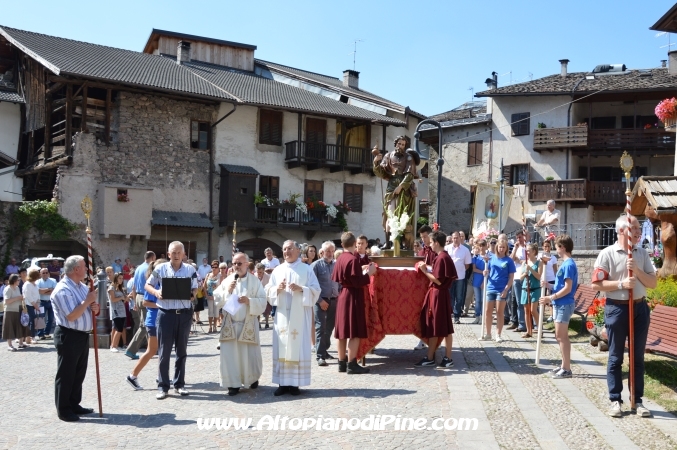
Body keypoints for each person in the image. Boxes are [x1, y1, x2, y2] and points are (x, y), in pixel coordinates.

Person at [591, 215, 656, 418]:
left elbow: (652, 283)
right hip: (617, 309)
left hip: (639, 309)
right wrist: (620, 284)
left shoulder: (642, 253)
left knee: (637, 357)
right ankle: (615, 399)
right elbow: (596, 284)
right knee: (616, 356)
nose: (638, 232)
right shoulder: (607, 254)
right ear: (621, 231)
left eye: (638, 228)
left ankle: (637, 400)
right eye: (634, 228)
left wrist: (636, 271)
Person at [265, 240, 321, 395]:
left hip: (300, 317)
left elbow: (316, 290)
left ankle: (295, 383)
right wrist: (277, 289)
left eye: (289, 248)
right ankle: (282, 383)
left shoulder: (306, 269)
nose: (286, 252)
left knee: (298, 347)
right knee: (281, 346)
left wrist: (302, 289)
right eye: (284, 249)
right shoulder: (277, 270)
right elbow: (268, 290)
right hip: (282, 315)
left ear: (297, 250)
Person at [145, 241, 198, 400]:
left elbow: (196, 287)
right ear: (168, 254)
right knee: (164, 352)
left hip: (184, 314)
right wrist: (156, 292)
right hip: (165, 314)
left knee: (182, 351)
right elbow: (148, 285)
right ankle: (163, 386)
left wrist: (193, 294)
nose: (176, 255)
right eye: (173, 253)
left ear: (183, 254)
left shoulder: (190, 269)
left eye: (178, 253)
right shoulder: (160, 268)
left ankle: (179, 384)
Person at [51, 255, 100, 421]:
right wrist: (87, 302)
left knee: (78, 373)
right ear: (76, 269)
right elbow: (72, 315)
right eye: (84, 266)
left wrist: (95, 306)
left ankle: (74, 404)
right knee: (66, 374)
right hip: (68, 335)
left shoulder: (81, 287)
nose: (86, 268)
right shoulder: (62, 289)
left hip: (82, 335)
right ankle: (63, 409)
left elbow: (90, 308)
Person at [213, 252, 268, 396]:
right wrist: (228, 291)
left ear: (247, 264)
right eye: (234, 263)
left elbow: (263, 300)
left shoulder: (255, 281)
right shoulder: (227, 281)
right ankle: (233, 384)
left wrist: (250, 301)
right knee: (230, 356)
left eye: (239, 263)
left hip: (247, 324)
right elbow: (217, 298)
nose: (236, 266)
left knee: (250, 355)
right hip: (230, 325)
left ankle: (252, 378)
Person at [332, 232, 376, 375]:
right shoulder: (353, 259)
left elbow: (338, 278)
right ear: (353, 244)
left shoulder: (340, 258)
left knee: (342, 332)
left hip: (343, 295)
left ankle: (341, 363)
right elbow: (358, 282)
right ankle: (352, 363)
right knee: (354, 332)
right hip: (353, 296)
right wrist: (369, 273)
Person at [415, 230, 456, 368]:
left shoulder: (443, 257)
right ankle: (430, 357)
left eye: (431, 242)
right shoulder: (441, 257)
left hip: (439, 294)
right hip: (437, 294)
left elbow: (438, 280)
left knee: (445, 327)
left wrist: (425, 271)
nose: (430, 245)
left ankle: (448, 358)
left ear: (437, 243)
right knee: (434, 326)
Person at [539, 234, 578, 379]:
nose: (556, 250)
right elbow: (560, 285)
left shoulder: (568, 265)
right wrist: (549, 285)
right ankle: (563, 365)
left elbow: (568, 288)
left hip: (564, 303)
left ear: (562, 247)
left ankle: (567, 368)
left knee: (562, 337)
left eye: (557, 247)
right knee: (559, 336)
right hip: (560, 303)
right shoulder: (566, 264)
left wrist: (551, 297)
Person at [373, 136, 419, 249]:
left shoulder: (408, 158)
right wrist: (376, 163)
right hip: (391, 188)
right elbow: (381, 173)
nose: (401, 146)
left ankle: (400, 243)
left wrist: (401, 186)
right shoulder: (388, 156)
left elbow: (410, 174)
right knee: (389, 214)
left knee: (402, 216)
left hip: (405, 190)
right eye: (399, 144)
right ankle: (389, 242)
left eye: (403, 144)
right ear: (396, 144)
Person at [126, 259, 165, 390]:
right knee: (151, 350)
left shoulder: (161, 282)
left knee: (161, 351)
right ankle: (132, 376)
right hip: (153, 321)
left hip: (159, 321)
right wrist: (163, 305)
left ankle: (161, 376)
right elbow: (146, 303)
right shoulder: (152, 283)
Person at [481, 239, 516, 343]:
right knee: (487, 311)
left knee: (499, 312)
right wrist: (485, 272)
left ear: (506, 249)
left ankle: (498, 334)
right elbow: (488, 271)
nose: (501, 249)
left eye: (503, 247)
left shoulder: (509, 261)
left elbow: (511, 277)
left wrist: (506, 289)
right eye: (500, 247)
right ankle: (488, 334)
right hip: (491, 287)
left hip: (502, 289)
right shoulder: (491, 258)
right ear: (497, 247)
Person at [311, 241, 339, 367]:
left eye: (332, 251)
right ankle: (320, 356)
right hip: (320, 300)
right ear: (322, 252)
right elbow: (310, 285)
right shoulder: (315, 266)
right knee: (320, 327)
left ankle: (324, 349)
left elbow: (340, 282)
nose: (330, 253)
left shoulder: (336, 265)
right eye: (328, 251)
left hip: (334, 300)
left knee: (329, 328)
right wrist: (320, 301)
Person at [125, 251, 156, 359]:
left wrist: (134, 301)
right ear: (152, 257)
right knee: (145, 325)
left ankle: (152, 348)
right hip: (145, 296)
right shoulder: (149, 268)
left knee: (148, 324)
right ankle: (131, 349)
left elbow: (133, 287)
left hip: (138, 296)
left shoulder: (138, 268)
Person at [415, 224, 436, 350]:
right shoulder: (422, 251)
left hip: (432, 284)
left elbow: (436, 268)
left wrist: (426, 268)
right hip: (421, 287)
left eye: (425, 236)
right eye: (421, 237)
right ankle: (422, 339)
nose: (423, 239)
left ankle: (433, 340)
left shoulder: (434, 251)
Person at [445, 232, 472, 324]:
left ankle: (457, 315)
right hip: (449, 277)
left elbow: (467, 264)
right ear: (452, 238)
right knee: (450, 296)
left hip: (460, 277)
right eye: (454, 238)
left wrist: (460, 270)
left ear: (460, 238)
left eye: (457, 238)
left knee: (459, 297)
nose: (456, 239)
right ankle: (450, 314)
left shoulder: (465, 250)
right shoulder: (447, 249)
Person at [519, 243, 542, 338]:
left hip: (535, 289)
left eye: (528, 250)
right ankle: (529, 331)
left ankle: (540, 329)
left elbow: (539, 276)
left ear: (534, 252)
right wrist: (525, 274)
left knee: (533, 310)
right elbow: (520, 278)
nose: (527, 252)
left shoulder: (539, 263)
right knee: (526, 311)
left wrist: (531, 270)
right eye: (526, 251)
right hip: (525, 289)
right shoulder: (524, 263)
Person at [3, 274, 28, 350]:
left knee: (19, 326)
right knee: (9, 327)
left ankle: (21, 343)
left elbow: (19, 297)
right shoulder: (8, 289)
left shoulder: (17, 288)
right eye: (18, 280)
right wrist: (18, 298)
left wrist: (22, 298)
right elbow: (7, 301)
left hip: (18, 309)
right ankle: (9, 345)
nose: (19, 281)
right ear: (14, 281)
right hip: (10, 310)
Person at [509, 230, 528, 332]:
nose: (518, 239)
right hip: (516, 276)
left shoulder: (527, 247)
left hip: (524, 276)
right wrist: (515, 249)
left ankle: (524, 324)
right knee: (516, 301)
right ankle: (518, 322)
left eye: (520, 237)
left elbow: (528, 261)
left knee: (522, 302)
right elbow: (511, 259)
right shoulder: (517, 248)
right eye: (517, 238)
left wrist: (520, 261)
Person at [539, 240, 558, 323]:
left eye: (548, 246)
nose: (547, 248)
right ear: (543, 247)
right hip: (543, 279)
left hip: (551, 279)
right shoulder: (540, 256)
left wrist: (556, 279)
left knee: (550, 297)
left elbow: (555, 269)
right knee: (542, 297)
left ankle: (551, 315)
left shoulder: (553, 258)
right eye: (545, 246)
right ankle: (541, 314)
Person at [108, 273, 128, 352]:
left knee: (120, 328)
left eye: (122, 278)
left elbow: (123, 300)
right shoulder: (111, 288)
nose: (121, 280)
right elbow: (112, 299)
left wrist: (126, 298)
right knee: (118, 328)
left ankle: (115, 345)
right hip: (115, 310)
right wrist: (121, 297)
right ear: (116, 278)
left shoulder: (120, 289)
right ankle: (113, 346)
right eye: (120, 278)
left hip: (122, 310)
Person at [471, 239, 488, 325]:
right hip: (476, 281)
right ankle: (477, 316)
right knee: (477, 300)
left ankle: (482, 316)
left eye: (483, 245)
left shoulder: (488, 257)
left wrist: (484, 281)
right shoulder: (475, 257)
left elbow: (489, 270)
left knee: (483, 300)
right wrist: (482, 272)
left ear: (486, 246)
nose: (481, 247)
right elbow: (474, 269)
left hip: (484, 281)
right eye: (480, 246)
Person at [37, 267, 57, 339]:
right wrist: (49, 289)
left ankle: (46, 333)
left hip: (51, 302)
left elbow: (54, 291)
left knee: (51, 318)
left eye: (46, 272)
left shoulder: (53, 280)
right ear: (40, 274)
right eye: (43, 273)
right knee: (41, 318)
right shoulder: (37, 282)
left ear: (48, 273)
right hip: (42, 302)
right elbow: (38, 291)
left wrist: (43, 291)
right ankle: (40, 334)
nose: (45, 274)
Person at [23, 268, 41, 344]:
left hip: (35, 304)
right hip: (29, 304)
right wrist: (35, 305)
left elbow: (37, 294)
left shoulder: (35, 284)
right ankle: (31, 337)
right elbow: (28, 296)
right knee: (31, 320)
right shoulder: (27, 284)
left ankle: (30, 336)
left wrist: (38, 302)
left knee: (34, 320)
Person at [203, 260, 221, 333]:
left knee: (216, 311)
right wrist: (206, 295)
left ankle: (215, 326)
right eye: (212, 267)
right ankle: (210, 326)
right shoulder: (208, 275)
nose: (214, 268)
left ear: (218, 268)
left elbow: (223, 287)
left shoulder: (220, 275)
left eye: (215, 267)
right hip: (210, 296)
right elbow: (204, 286)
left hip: (217, 297)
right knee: (210, 311)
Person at [255, 263, 272, 329]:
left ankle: (267, 323)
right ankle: (258, 323)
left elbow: (270, 286)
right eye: (257, 272)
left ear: (263, 271)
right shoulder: (254, 276)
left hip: (265, 295)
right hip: (257, 295)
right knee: (257, 309)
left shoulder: (268, 277)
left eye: (260, 272)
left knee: (267, 309)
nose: (259, 273)